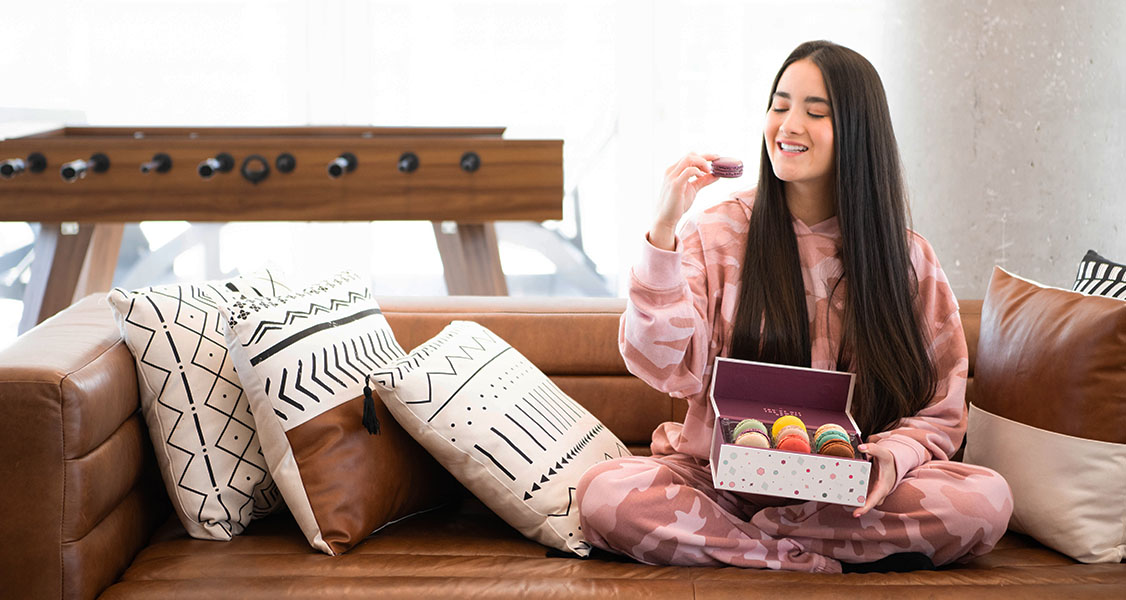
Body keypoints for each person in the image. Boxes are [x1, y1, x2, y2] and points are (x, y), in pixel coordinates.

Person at [575, 40, 1014, 573]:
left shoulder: (907, 258)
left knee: (986, 500)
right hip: (719, 484)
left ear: (857, 130)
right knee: (605, 494)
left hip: (849, 493)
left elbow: (941, 411)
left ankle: (759, 542)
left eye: (815, 111)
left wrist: (885, 461)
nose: (788, 125)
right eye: (779, 106)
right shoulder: (714, 233)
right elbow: (662, 364)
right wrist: (663, 230)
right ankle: (785, 555)